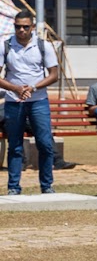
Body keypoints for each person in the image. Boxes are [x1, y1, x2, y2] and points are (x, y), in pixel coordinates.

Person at [2, 12, 59, 195]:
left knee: (45, 144)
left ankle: (47, 185)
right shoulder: (5, 45)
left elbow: (53, 75)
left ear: (32, 27)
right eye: (18, 26)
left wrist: (33, 87)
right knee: (15, 146)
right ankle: (13, 187)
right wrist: (15, 88)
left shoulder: (43, 46)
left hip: (38, 101)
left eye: (26, 26)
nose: (21, 30)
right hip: (13, 101)